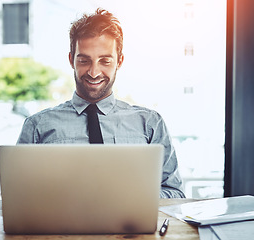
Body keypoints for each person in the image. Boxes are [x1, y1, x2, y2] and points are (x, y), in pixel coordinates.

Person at [17, 8, 185, 198]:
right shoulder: (37, 126)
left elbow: (174, 193)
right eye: (84, 60)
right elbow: (18, 196)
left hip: (130, 226)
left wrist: (136, 198)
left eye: (105, 61)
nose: (94, 72)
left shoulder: (150, 123)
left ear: (119, 61)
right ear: (71, 60)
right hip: (63, 227)